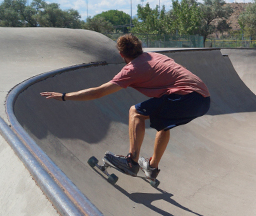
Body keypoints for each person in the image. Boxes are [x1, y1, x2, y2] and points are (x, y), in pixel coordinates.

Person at [41, 34, 210, 181]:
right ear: (140, 48)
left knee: (135, 112)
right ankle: (152, 167)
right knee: (164, 124)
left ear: (122, 54)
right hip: (203, 99)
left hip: (185, 97)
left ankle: (131, 161)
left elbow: (97, 93)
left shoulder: (131, 69)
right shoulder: (156, 56)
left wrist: (64, 96)